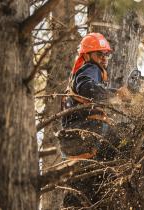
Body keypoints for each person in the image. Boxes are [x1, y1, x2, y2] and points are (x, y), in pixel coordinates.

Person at [60, 32, 130, 160]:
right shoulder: (91, 67)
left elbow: (92, 90)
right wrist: (115, 95)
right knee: (127, 143)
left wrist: (116, 94)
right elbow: (88, 88)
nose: (104, 58)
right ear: (86, 56)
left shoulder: (79, 77)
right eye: (99, 54)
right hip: (84, 133)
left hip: (70, 142)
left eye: (106, 55)